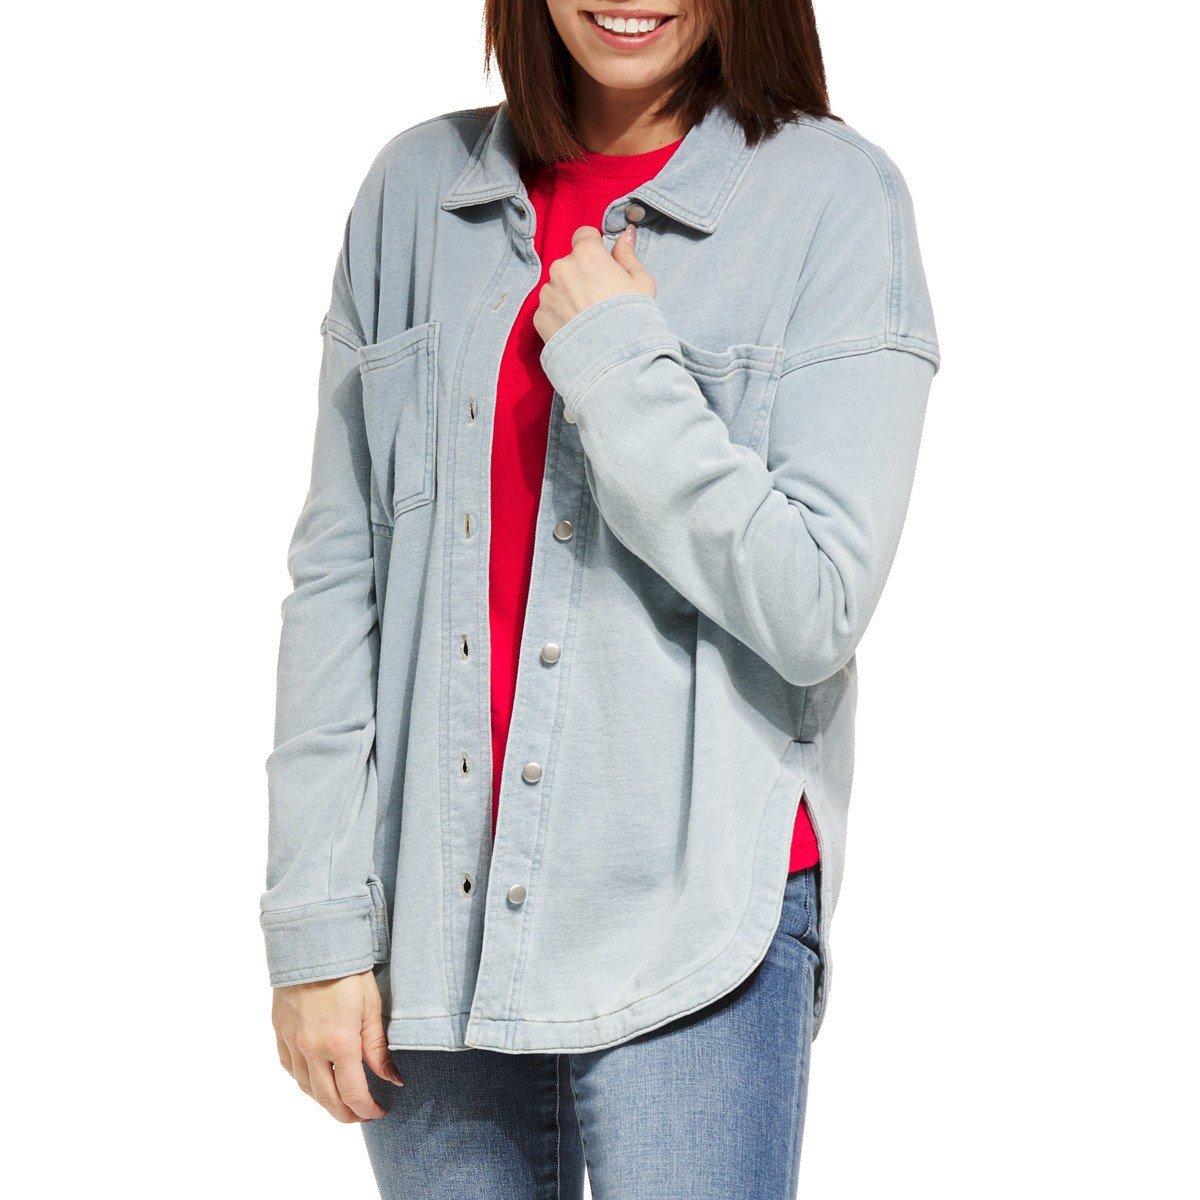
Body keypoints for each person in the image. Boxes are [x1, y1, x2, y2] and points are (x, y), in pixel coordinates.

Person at [262, 2, 939, 1196]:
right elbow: (336, 578)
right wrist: (317, 924)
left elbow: (816, 603)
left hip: (692, 926)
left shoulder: (834, 201)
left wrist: (623, 363)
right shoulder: (415, 194)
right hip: (434, 931)